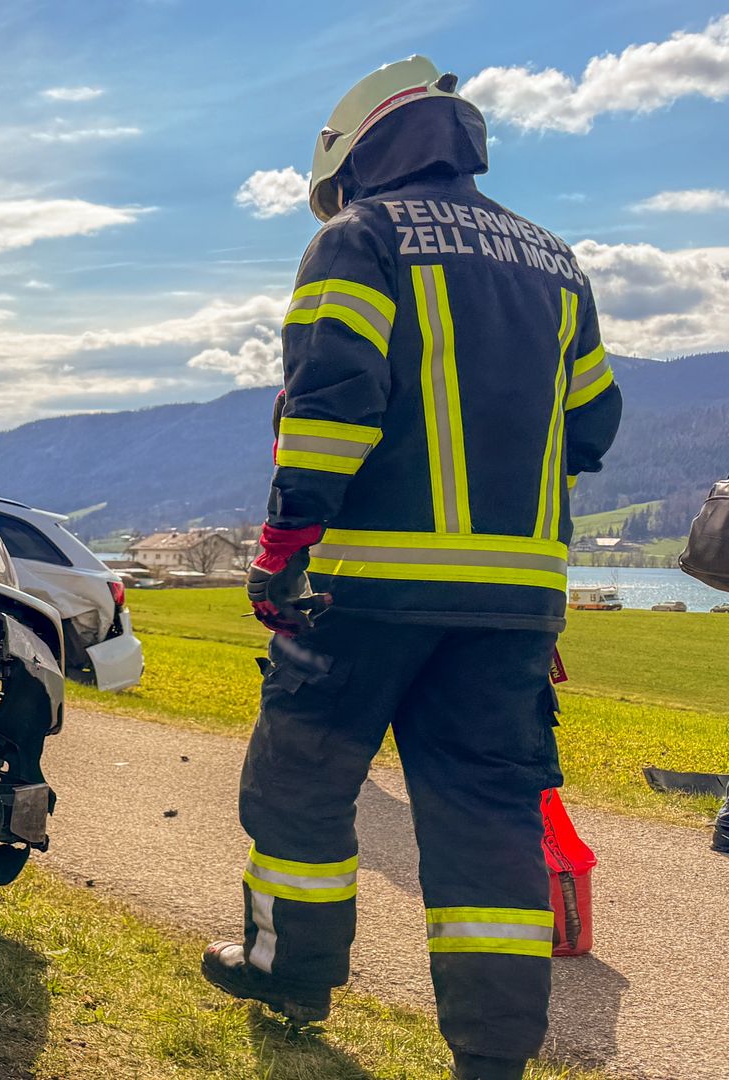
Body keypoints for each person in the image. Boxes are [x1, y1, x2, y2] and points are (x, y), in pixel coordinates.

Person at [197, 57, 623, 1080]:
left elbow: (329, 408)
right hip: (514, 605)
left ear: (357, 156)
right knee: (487, 818)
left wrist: (281, 551)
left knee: (300, 785)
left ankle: (291, 972)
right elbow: (594, 424)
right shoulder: (555, 260)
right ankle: (493, 1055)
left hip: (365, 591)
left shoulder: (359, 239)